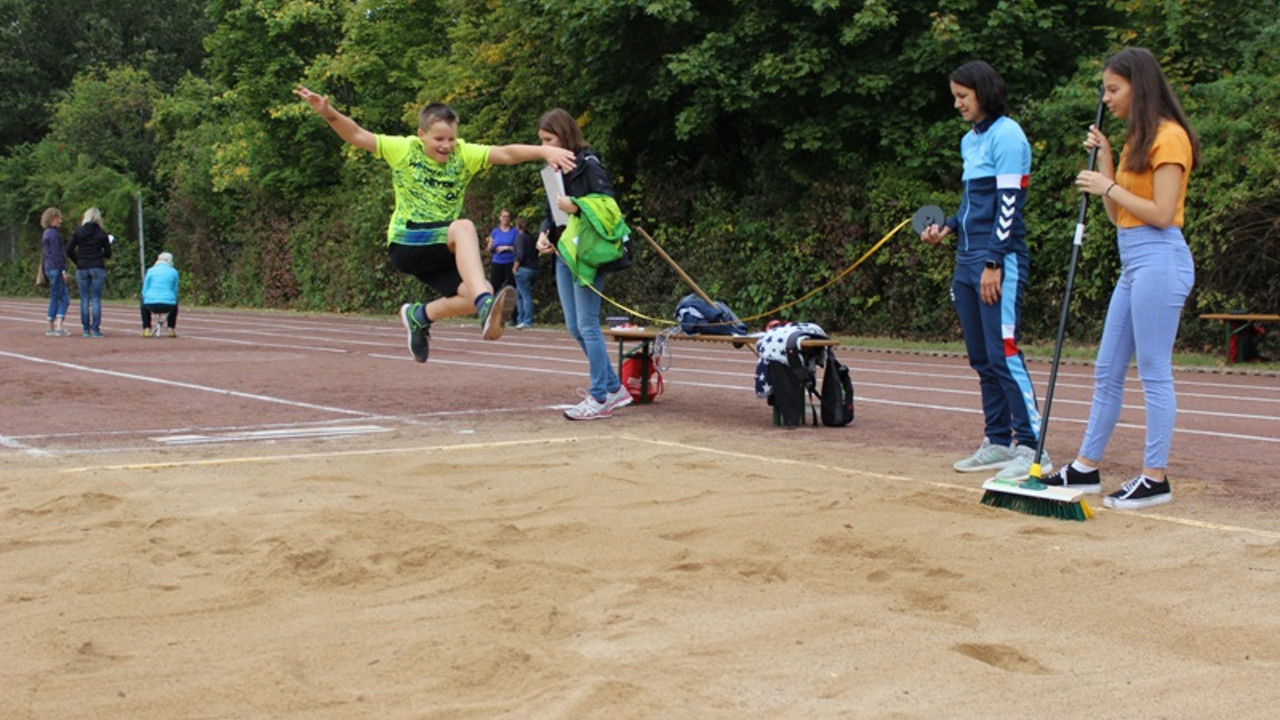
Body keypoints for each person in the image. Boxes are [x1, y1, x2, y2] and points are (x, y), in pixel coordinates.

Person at [294, 85, 576, 363]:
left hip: (440, 248)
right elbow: (356, 134)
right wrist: (328, 112)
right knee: (464, 228)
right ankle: (484, 307)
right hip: (407, 242)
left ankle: (419, 316)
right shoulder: (404, 149)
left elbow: (506, 153)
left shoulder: (464, 154)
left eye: (451, 139)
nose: (446, 146)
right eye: (439, 139)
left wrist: (544, 153)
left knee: (476, 291)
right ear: (421, 135)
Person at [1040, 48, 1200, 510]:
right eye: (1105, 90)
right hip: (1134, 262)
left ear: (1139, 86)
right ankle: (1087, 467)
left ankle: (1155, 477)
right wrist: (1107, 162)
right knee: (1106, 370)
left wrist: (1108, 185)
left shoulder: (1168, 139)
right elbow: (1118, 216)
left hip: (1161, 259)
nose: (1106, 98)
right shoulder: (1136, 140)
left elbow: (1162, 214)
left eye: (1114, 89)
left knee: (1153, 371)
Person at [919, 61, 1046, 481]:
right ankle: (997, 441)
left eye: (963, 96)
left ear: (983, 92)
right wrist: (947, 229)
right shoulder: (969, 141)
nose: (957, 104)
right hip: (966, 261)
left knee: (1004, 352)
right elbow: (971, 205)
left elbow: (1009, 206)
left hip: (998, 260)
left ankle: (1033, 448)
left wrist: (994, 261)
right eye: (955, 96)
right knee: (981, 357)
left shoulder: (1008, 135)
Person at [534, 108, 632, 420]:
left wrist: (576, 205)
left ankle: (600, 395)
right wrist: (543, 234)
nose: (546, 147)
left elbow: (609, 205)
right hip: (564, 252)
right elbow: (552, 211)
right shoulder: (554, 172)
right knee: (575, 326)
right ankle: (614, 387)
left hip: (588, 253)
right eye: (542, 142)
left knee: (588, 323)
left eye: (549, 140)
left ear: (564, 136)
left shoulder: (589, 163)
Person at [67, 207, 112, 338]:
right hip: (97, 266)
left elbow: (69, 250)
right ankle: (96, 329)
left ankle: (86, 329)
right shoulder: (102, 233)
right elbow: (108, 254)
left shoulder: (78, 232)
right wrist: (100, 253)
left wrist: (78, 260)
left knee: (84, 298)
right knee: (96, 298)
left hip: (82, 267)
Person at [40, 207, 71, 336]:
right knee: (64, 298)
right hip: (56, 268)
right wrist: (64, 270)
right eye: (58, 217)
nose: (60, 220)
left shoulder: (46, 233)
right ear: (53, 218)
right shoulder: (54, 234)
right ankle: (59, 325)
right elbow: (58, 254)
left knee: (54, 296)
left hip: (48, 267)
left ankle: (50, 325)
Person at [141, 251, 180, 337]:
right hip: (169, 305)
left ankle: (146, 327)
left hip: (150, 304)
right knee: (174, 300)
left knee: (143, 300)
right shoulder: (174, 272)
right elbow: (175, 290)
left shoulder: (150, 271)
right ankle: (171, 328)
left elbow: (144, 290)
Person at [512, 217, 538, 329]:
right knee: (520, 294)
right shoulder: (532, 237)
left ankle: (527, 320)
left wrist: (515, 267)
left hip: (524, 268)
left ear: (517, 226)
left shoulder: (520, 238)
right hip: (534, 268)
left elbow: (520, 254)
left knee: (524, 295)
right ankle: (521, 319)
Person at [487, 207, 517, 296]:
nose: (505, 219)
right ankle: (494, 307)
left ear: (510, 219)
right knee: (494, 287)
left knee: (510, 288)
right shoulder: (495, 232)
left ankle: (512, 309)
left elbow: (519, 248)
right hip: (497, 262)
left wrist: (506, 248)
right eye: (503, 216)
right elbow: (490, 249)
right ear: (500, 218)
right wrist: (490, 247)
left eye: (507, 217)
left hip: (510, 263)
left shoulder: (514, 232)